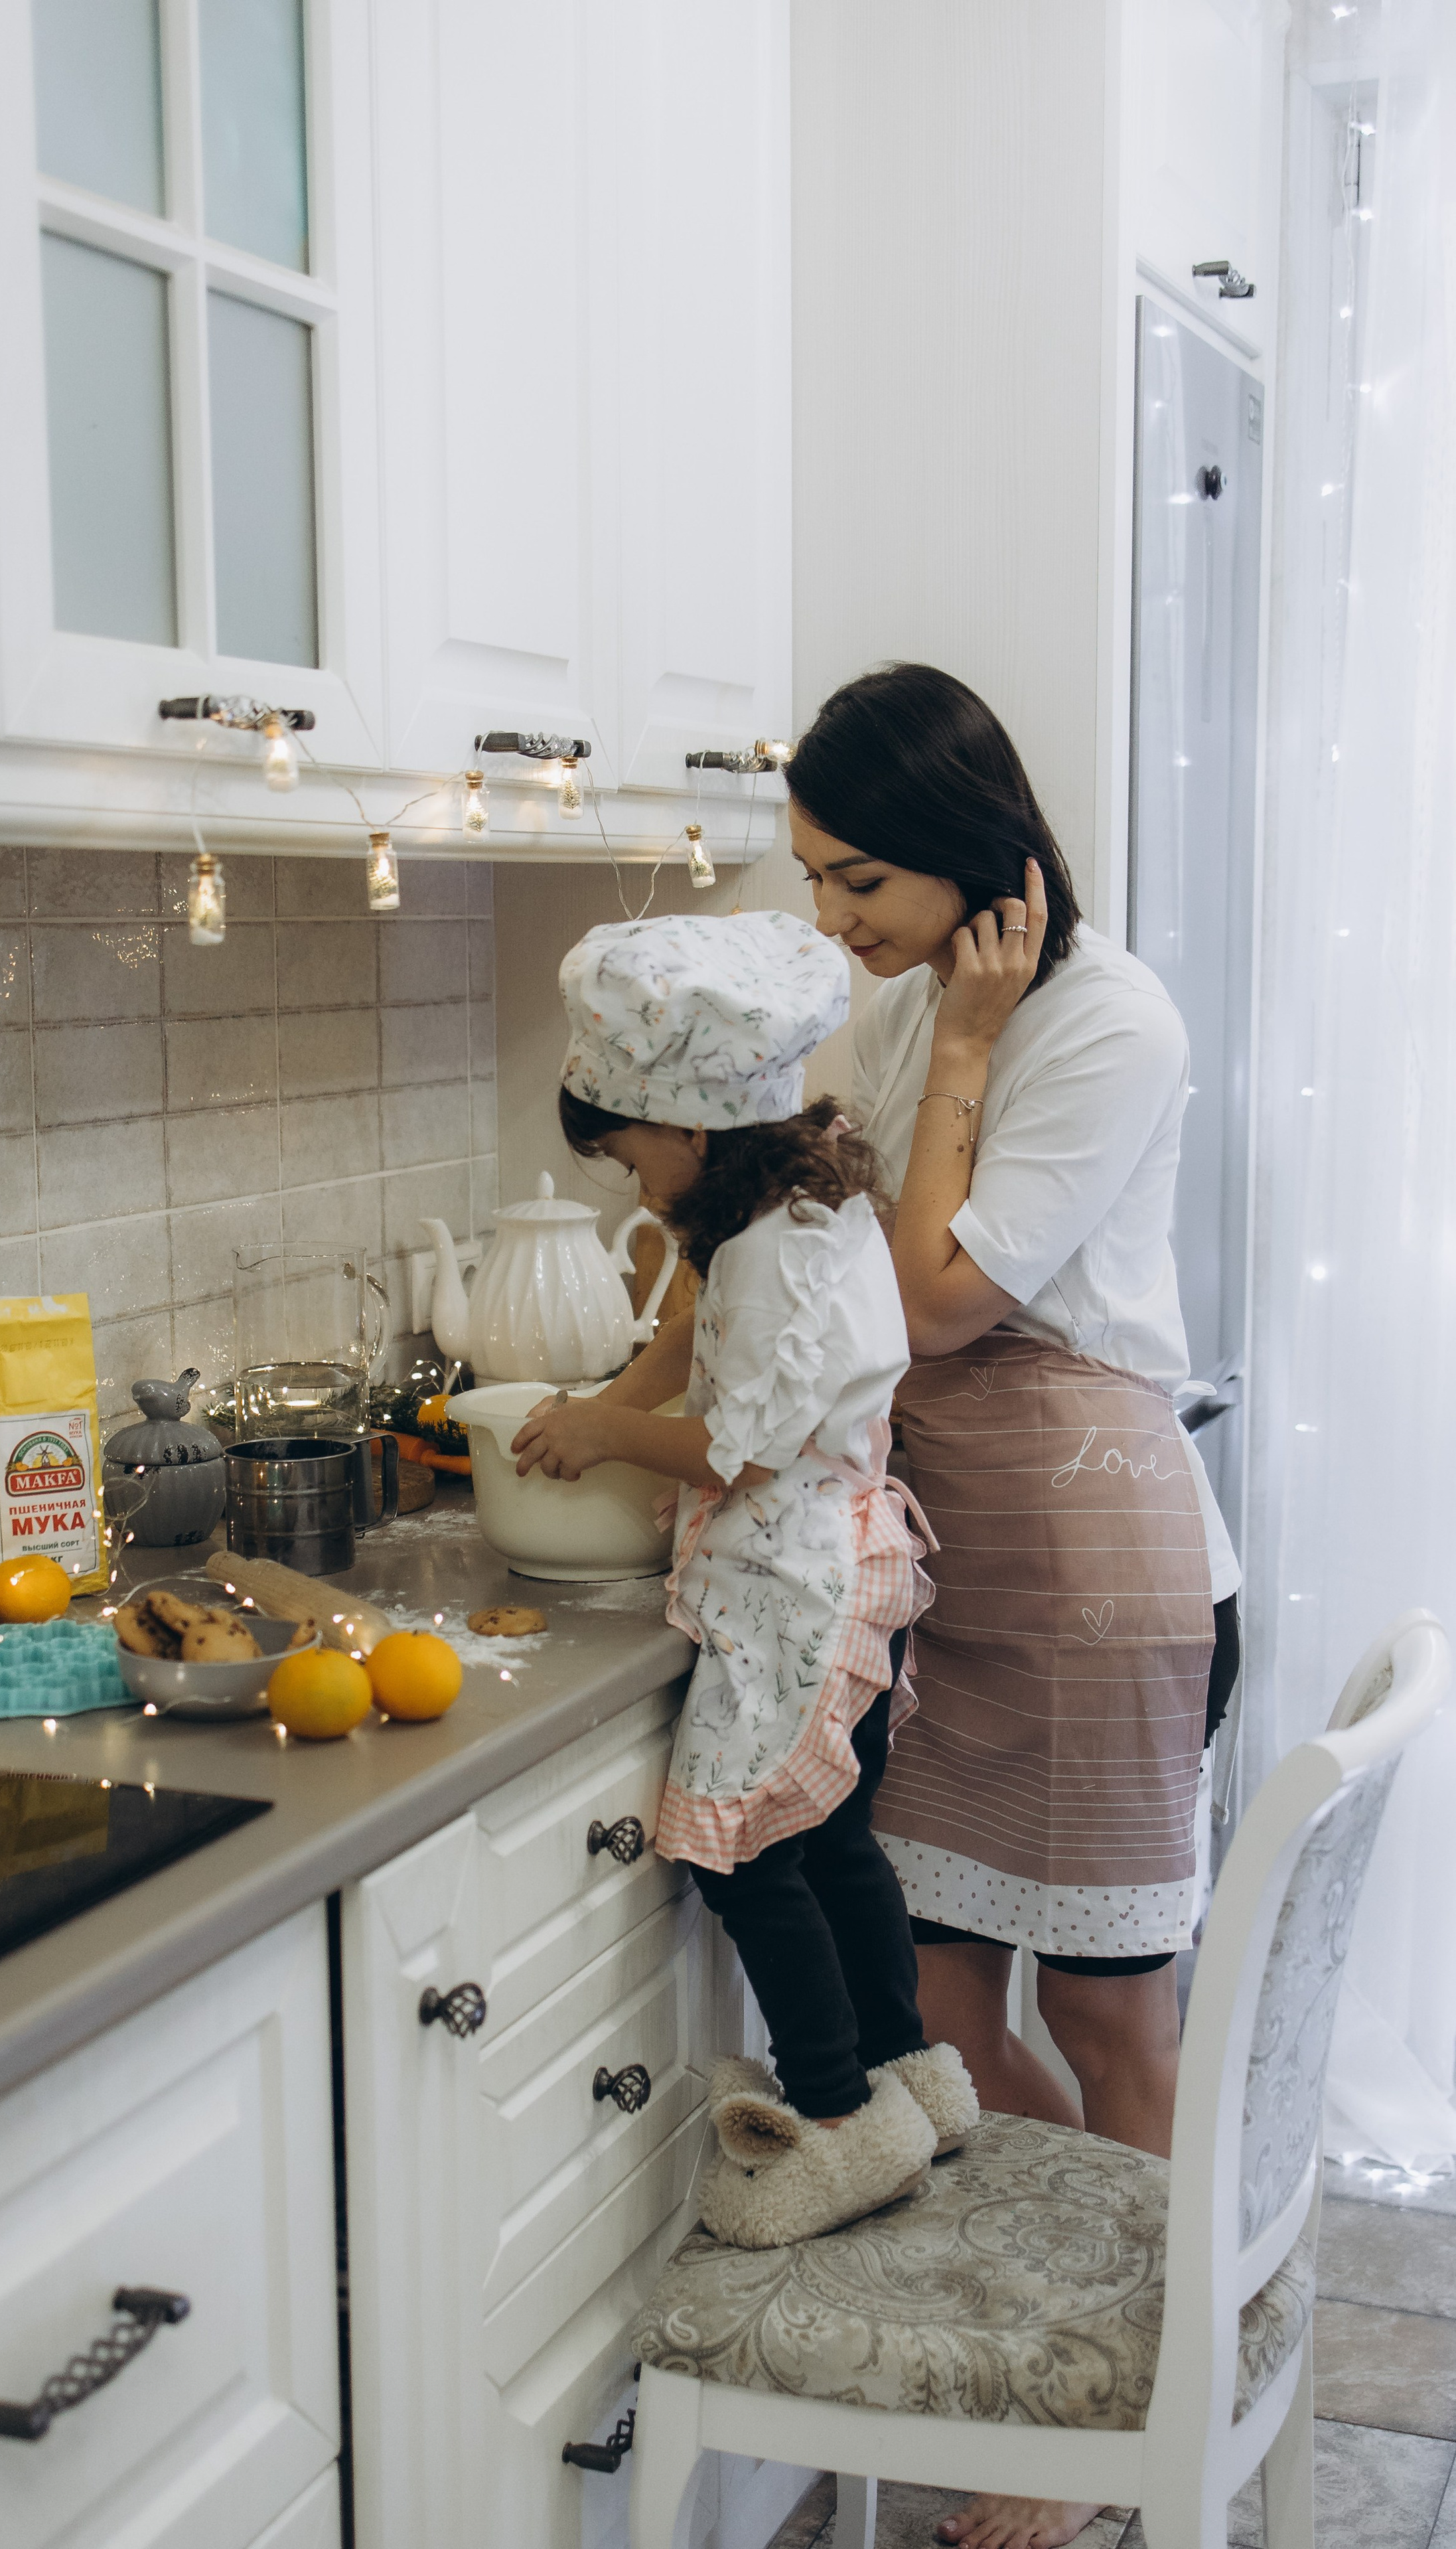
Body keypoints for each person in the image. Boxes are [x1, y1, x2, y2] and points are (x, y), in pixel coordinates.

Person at [787, 662, 1242, 2549]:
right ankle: (1100, 2371)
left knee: (1124, 2035)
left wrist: (964, 1054)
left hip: (1093, 1572)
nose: (831, 920)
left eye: (857, 882)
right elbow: (834, 1218)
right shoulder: (898, 1011)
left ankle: (1143, 2404)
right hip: (952, 1572)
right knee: (953, 2013)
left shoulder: (1104, 1020)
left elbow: (944, 1300)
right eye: (813, 878)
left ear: (977, 864)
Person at [510, 907, 978, 2249]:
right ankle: (907, 2081)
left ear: (690, 1128)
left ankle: (834, 2126)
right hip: (839, 1569)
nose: (628, 1183)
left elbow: (741, 1450)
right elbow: (686, 1336)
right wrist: (599, 1396)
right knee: (830, 1843)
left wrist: (600, 1431)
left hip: (788, 1583)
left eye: (627, 1155)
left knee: (742, 1860)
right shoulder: (791, 1205)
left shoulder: (768, 1250)